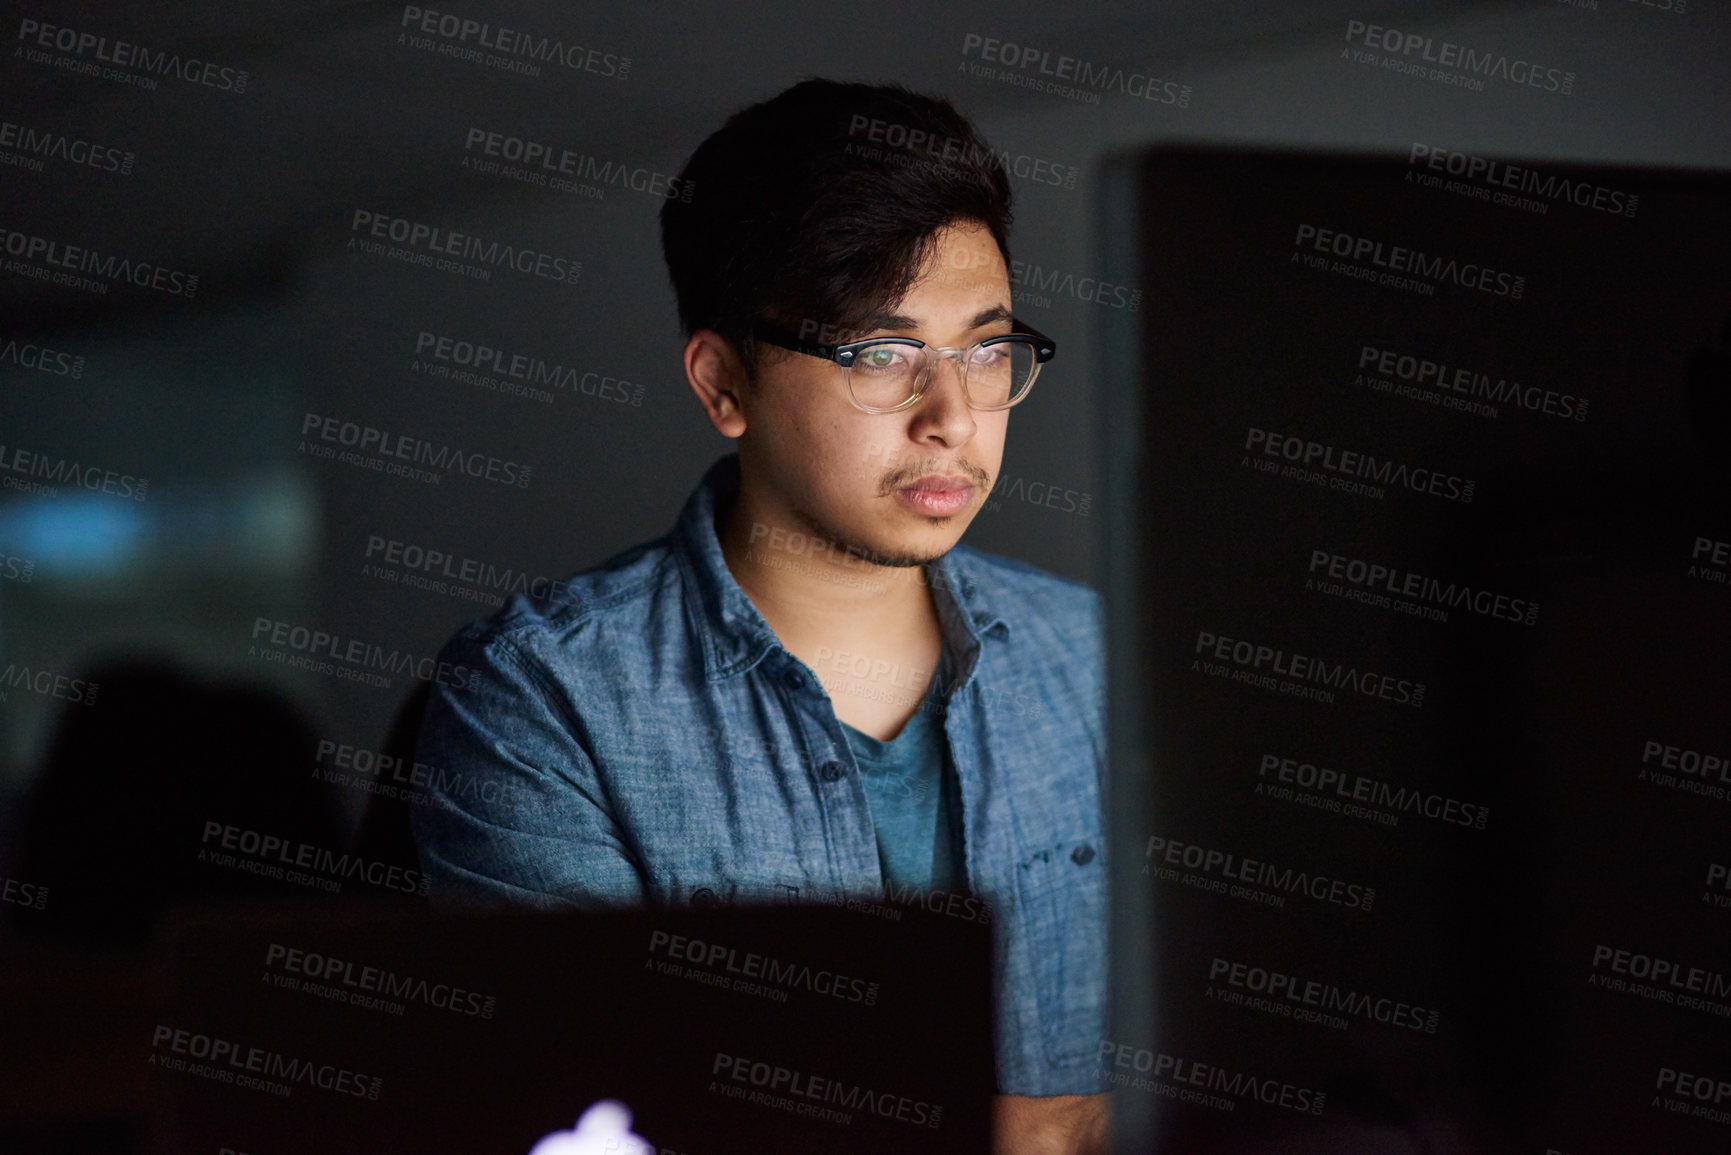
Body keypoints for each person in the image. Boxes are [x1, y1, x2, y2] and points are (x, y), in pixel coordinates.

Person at [413, 77, 1108, 1153]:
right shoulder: (544, 699)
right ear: (723, 382)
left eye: (984, 348)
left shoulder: (1097, 661)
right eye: (881, 355)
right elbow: (585, 1115)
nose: (953, 417)